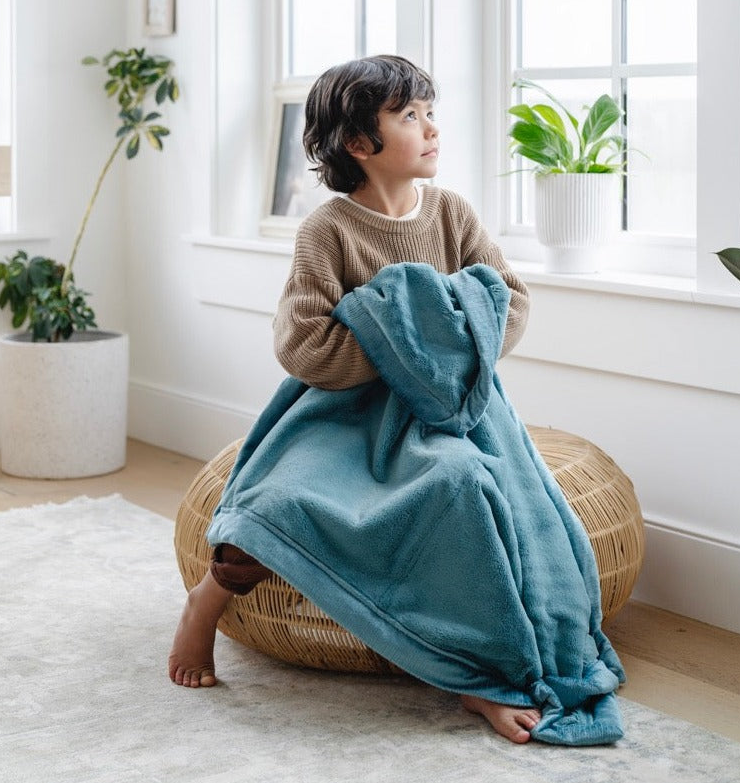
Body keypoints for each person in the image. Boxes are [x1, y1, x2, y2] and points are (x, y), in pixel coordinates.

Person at [169, 55, 536, 743]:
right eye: (408, 116)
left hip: (442, 408)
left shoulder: (452, 214)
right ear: (359, 144)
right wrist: (402, 342)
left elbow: (506, 301)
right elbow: (304, 342)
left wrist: (434, 351)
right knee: (278, 503)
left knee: (464, 483)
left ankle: (474, 672)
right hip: (343, 412)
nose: (430, 128)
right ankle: (207, 600)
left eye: (429, 111)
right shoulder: (327, 230)